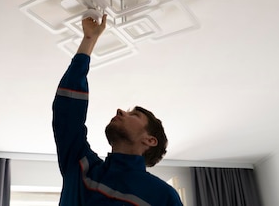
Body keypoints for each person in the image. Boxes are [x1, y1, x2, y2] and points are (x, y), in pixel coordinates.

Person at [52, 14, 184, 205]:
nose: (121, 111)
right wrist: (89, 40)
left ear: (149, 140)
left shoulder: (162, 196)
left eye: (134, 114)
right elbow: (67, 112)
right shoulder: (81, 166)